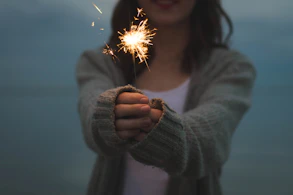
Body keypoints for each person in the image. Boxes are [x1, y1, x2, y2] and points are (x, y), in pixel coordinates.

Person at [75, 0, 256, 194]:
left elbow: (211, 139)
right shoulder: (100, 62)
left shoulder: (231, 68)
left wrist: (164, 131)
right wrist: (108, 115)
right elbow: (92, 113)